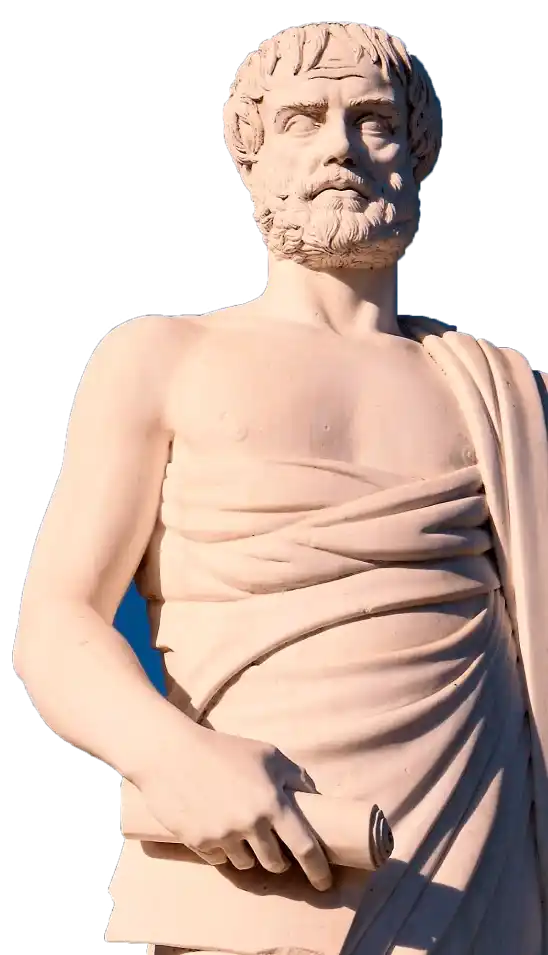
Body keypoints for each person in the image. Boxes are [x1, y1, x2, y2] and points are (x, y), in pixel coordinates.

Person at [13, 21, 547, 955]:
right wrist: (175, 758)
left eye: (375, 120)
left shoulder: (504, 393)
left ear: (417, 155)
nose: (341, 145)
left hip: (478, 878)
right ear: (252, 156)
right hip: (256, 868)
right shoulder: (163, 358)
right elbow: (56, 623)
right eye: (304, 118)